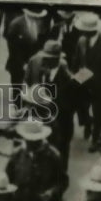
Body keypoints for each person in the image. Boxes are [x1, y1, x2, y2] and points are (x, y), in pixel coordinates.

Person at [25, 38, 77, 179]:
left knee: (58, 155)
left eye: (49, 59)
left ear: (57, 60)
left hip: (60, 122)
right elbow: (27, 83)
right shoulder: (34, 61)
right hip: (37, 118)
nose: (45, 62)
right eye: (44, 58)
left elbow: (72, 102)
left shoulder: (66, 74)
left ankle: (58, 183)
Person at [71, 11, 101, 150]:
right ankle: (87, 125)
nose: (85, 33)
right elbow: (76, 60)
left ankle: (96, 139)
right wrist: (73, 76)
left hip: (99, 82)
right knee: (82, 106)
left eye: (87, 31)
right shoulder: (82, 41)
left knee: (98, 112)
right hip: (83, 79)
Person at [4, 7, 50, 85]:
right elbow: (13, 50)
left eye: (38, 17)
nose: (37, 18)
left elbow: (42, 43)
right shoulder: (16, 24)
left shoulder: (41, 24)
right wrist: (23, 64)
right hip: (18, 65)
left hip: (35, 65)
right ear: (28, 14)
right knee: (17, 89)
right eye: (34, 16)